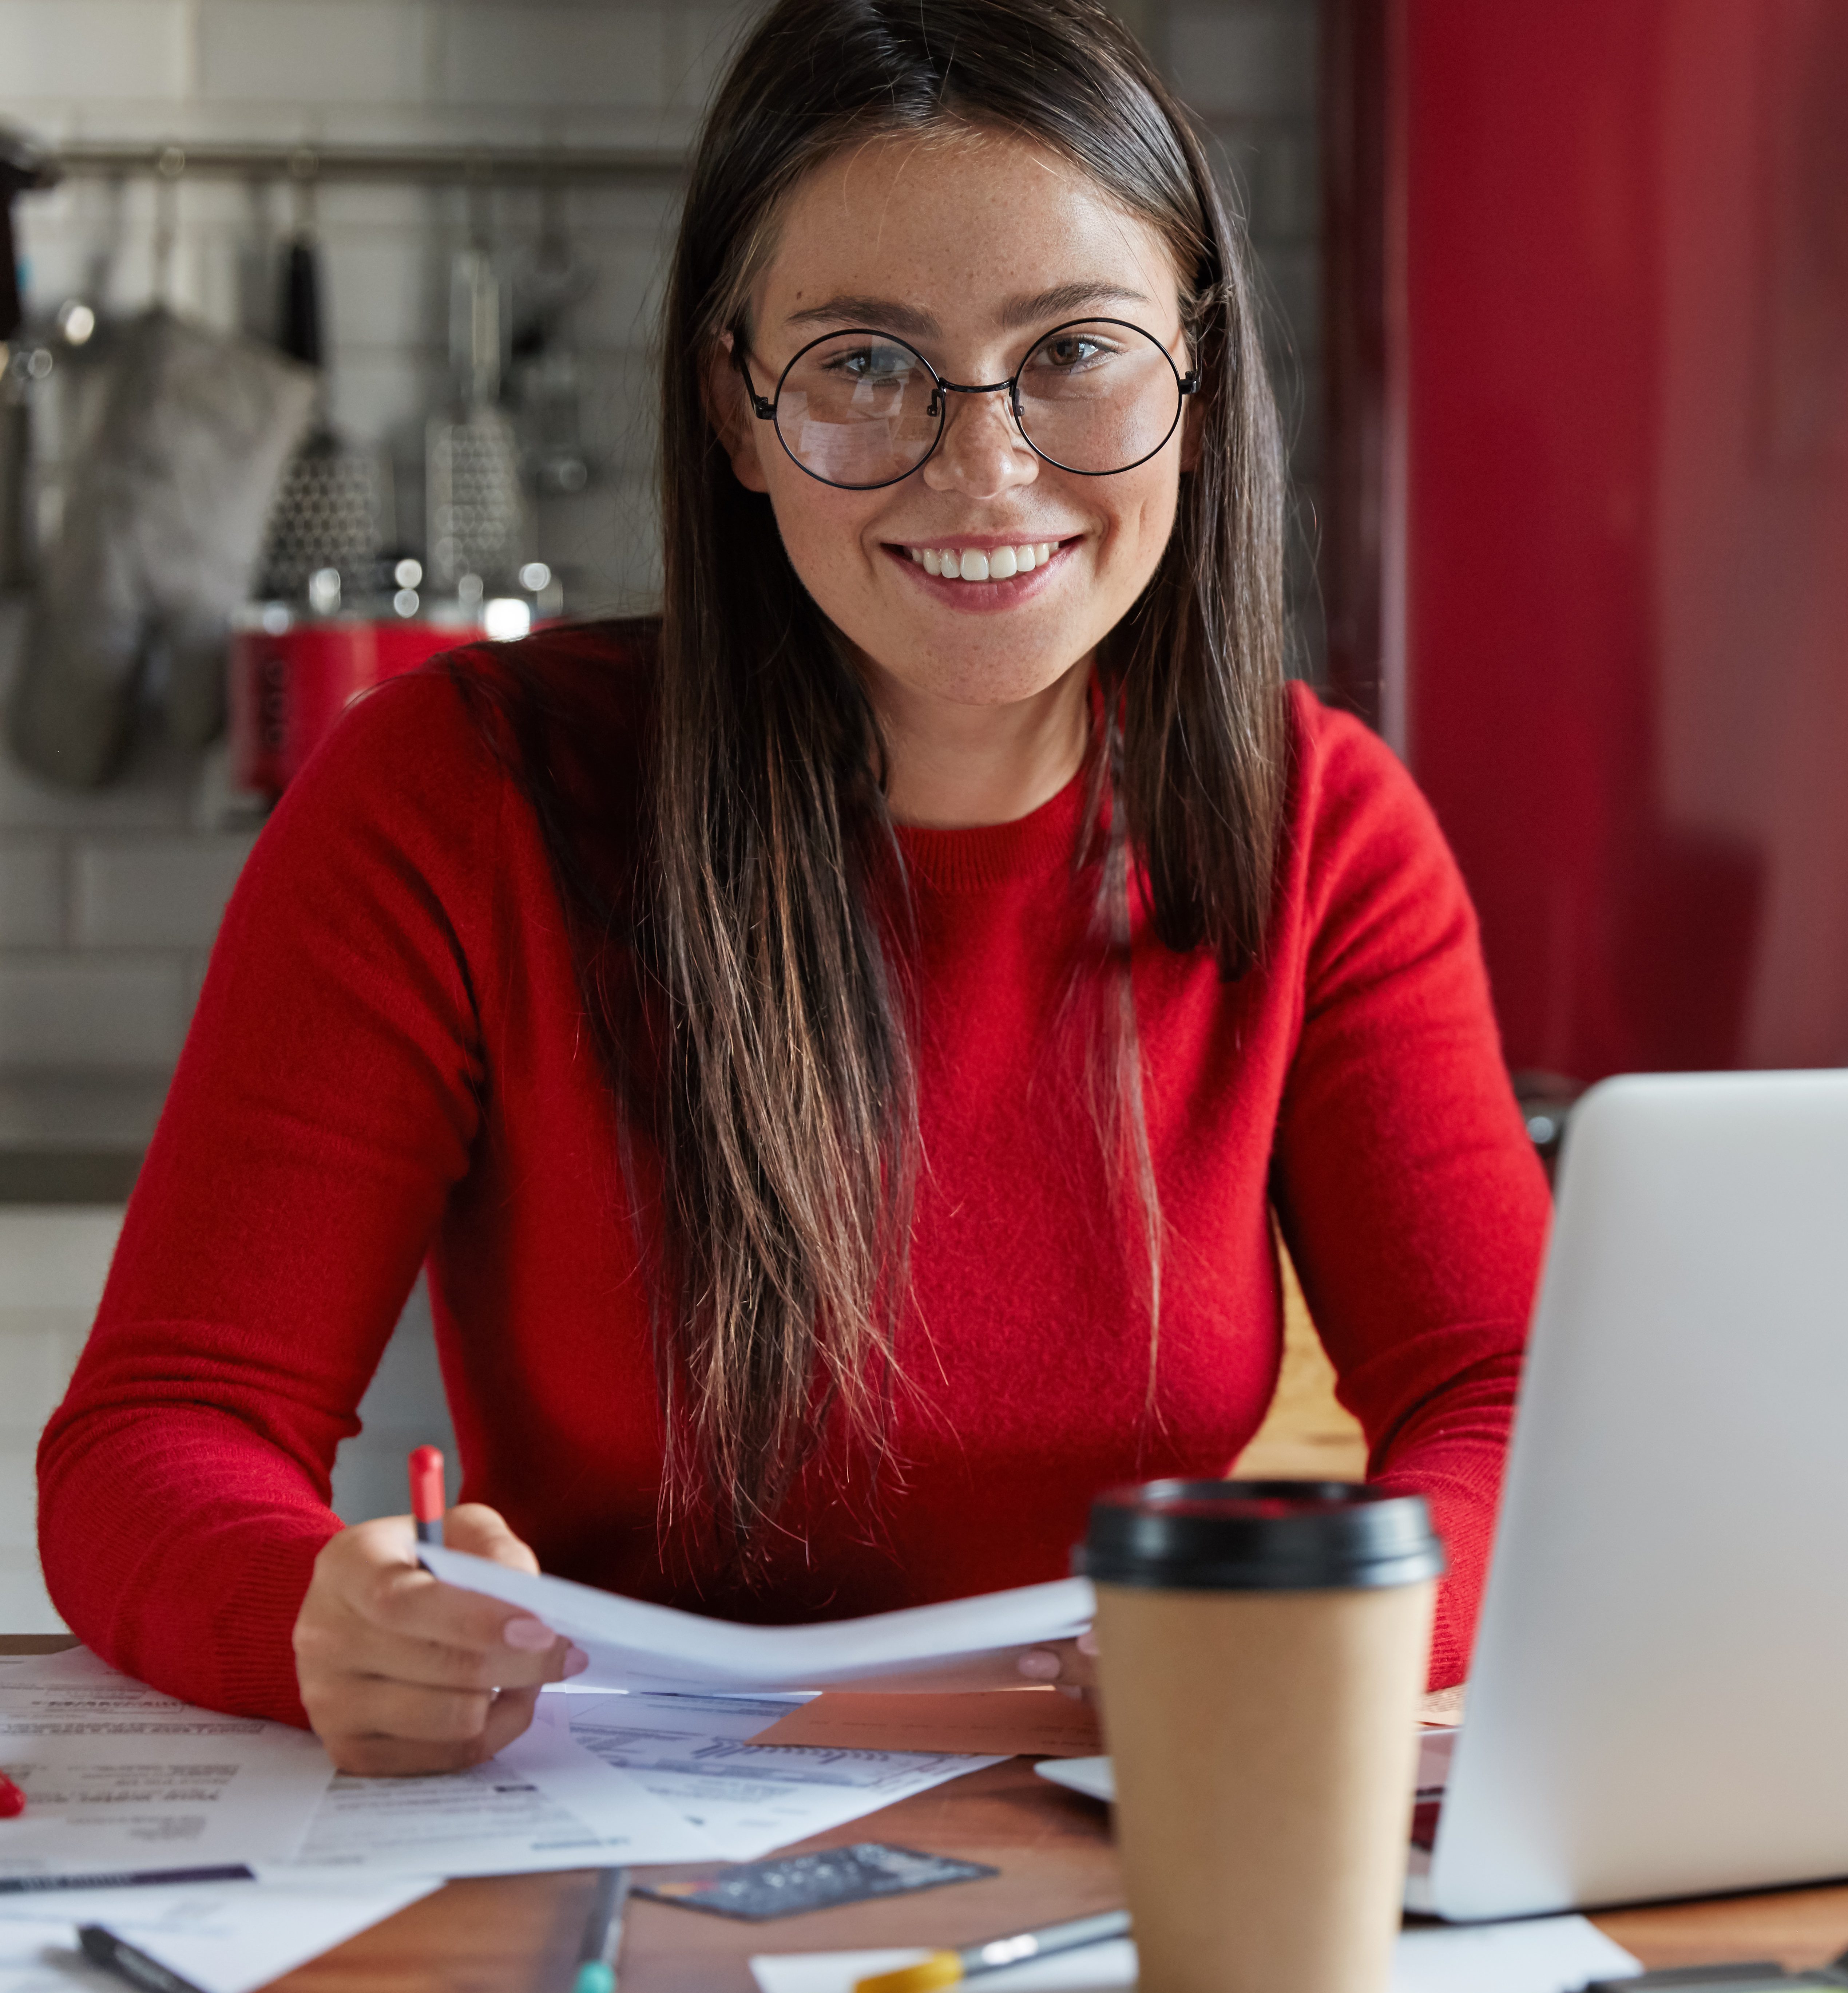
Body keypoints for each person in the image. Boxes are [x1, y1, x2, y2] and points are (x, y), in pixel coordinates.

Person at [35, 0, 1544, 1775]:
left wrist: (1308, 1630)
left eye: (1076, 350)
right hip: (592, 1842)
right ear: (733, 410)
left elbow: (1508, 1406)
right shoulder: (449, 801)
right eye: (863, 362)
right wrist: (311, 1613)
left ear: (1197, 387)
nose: (982, 465)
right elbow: (163, 1433)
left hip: (1139, 1826)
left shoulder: (1326, 830)